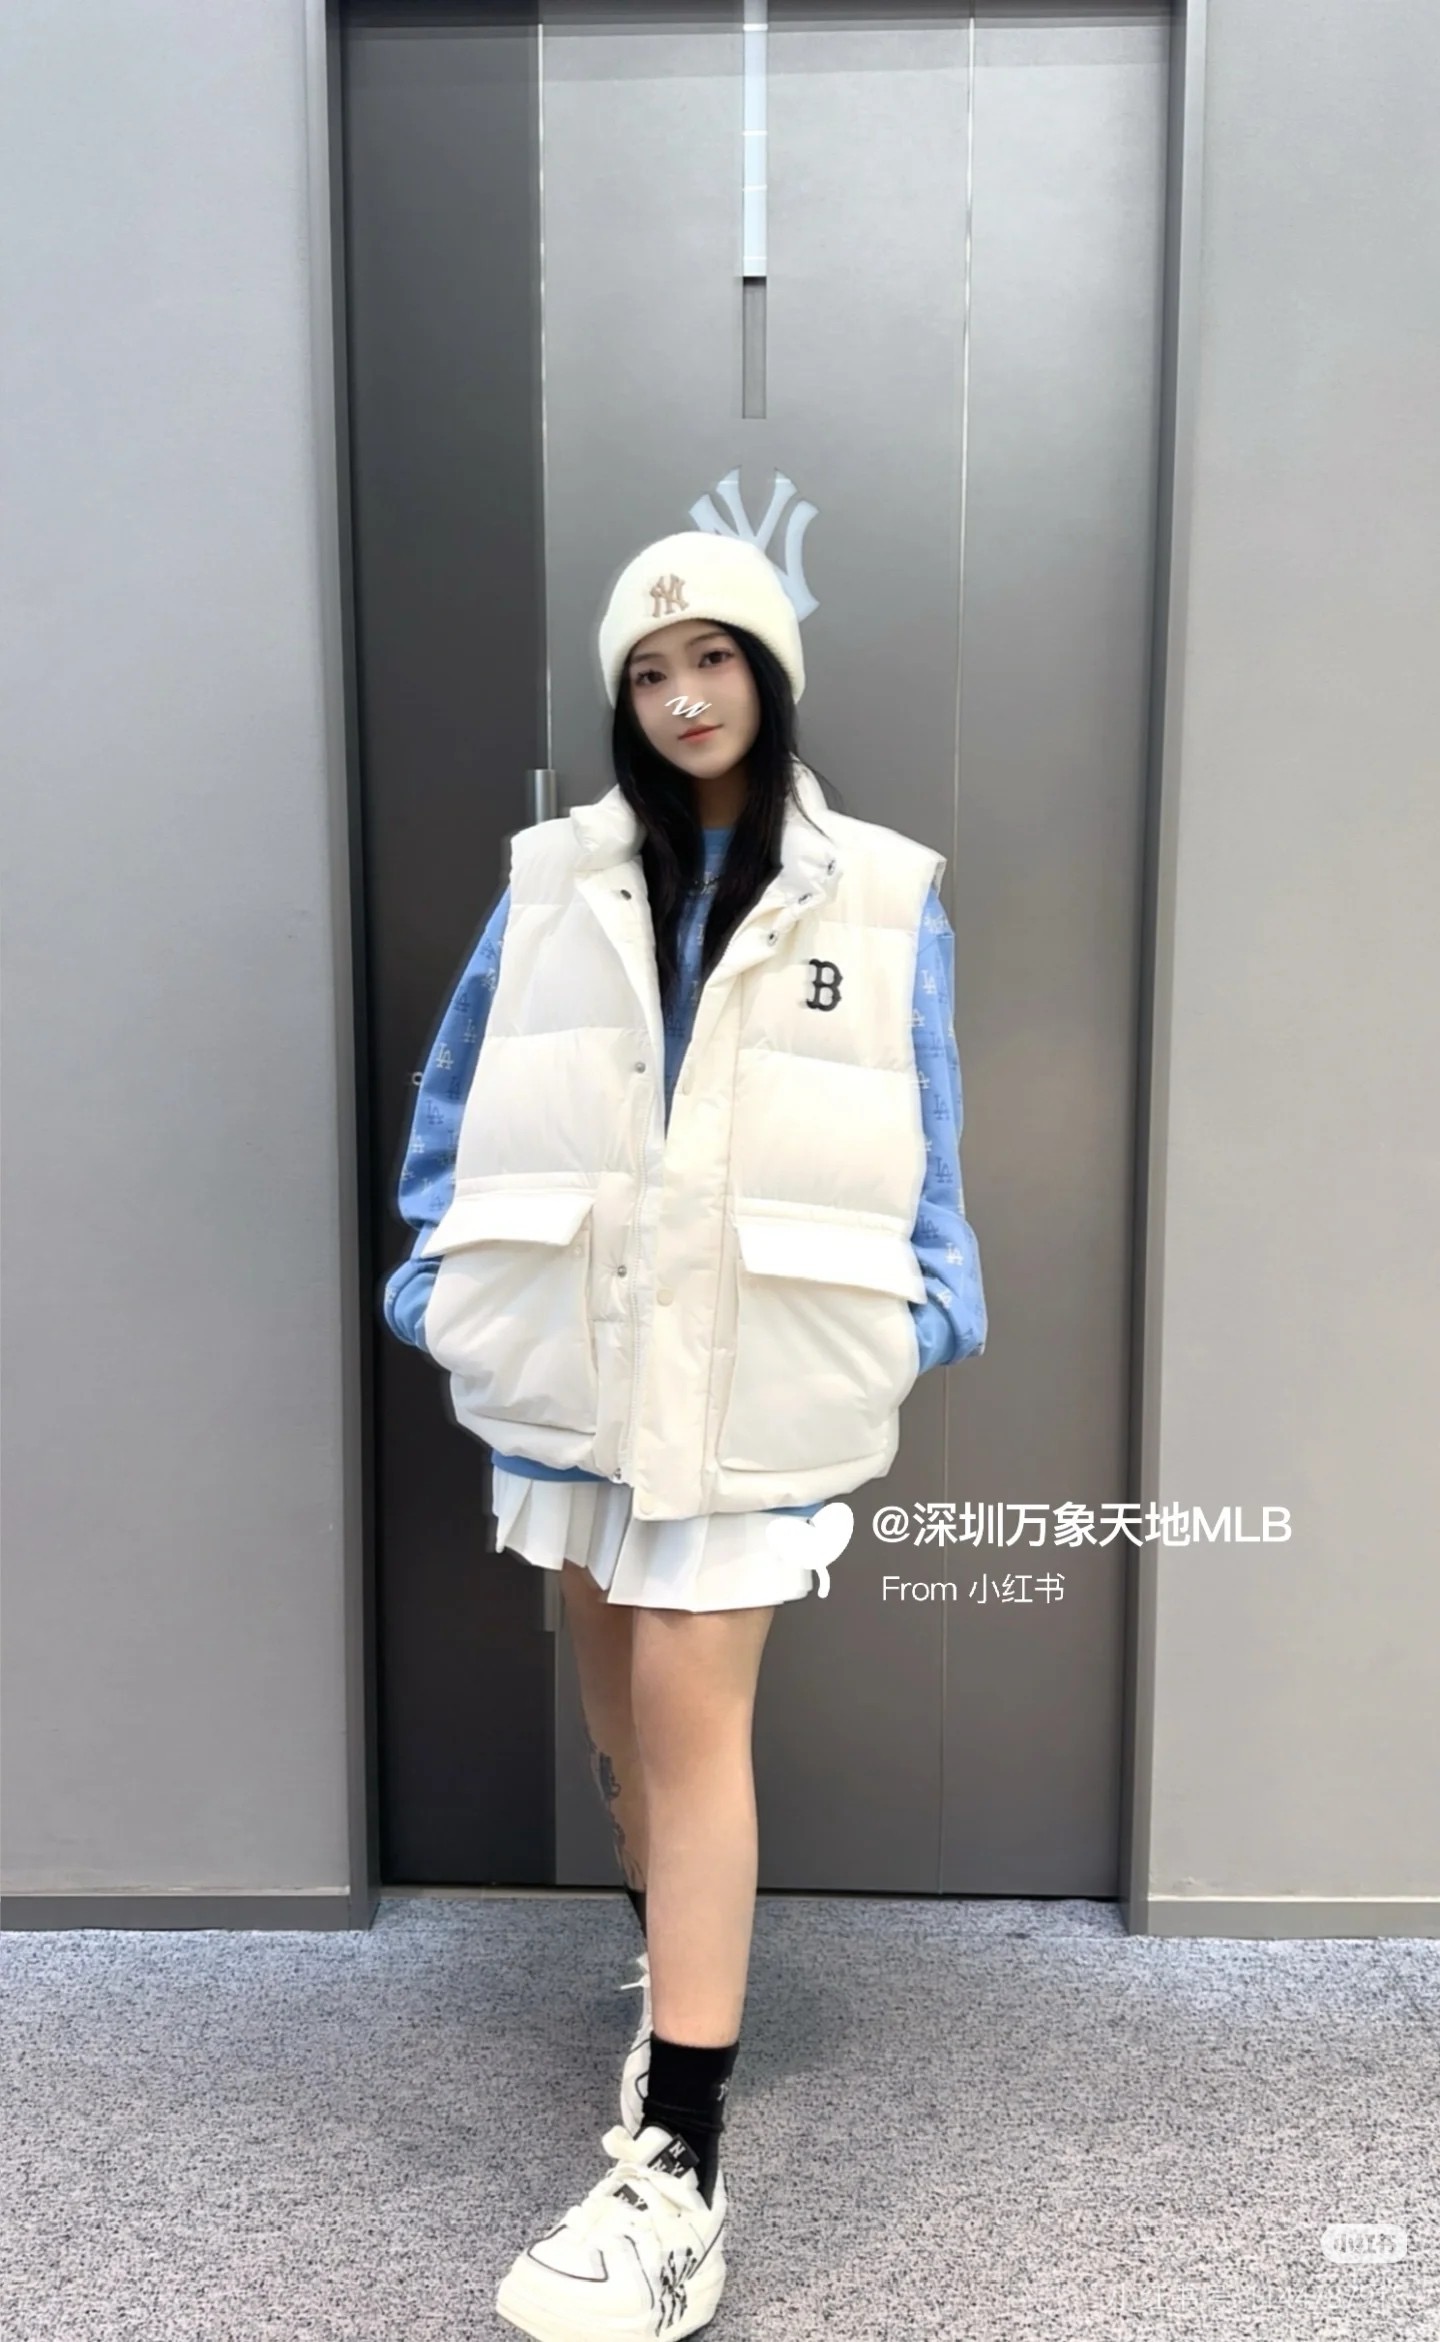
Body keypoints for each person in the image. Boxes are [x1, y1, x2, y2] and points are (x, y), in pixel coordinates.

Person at [381, 530, 987, 2341]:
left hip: (751, 1374)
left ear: (769, 672)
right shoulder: (555, 876)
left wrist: (919, 1316)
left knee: (688, 1707)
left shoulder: (881, 890)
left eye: (713, 658)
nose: (682, 696)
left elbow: (927, 1129)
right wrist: (437, 1285)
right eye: (648, 673)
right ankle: (675, 1977)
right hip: (577, 1364)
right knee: (618, 1708)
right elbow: (457, 1094)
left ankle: (682, 2169)